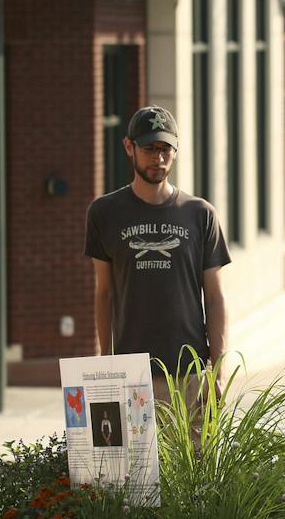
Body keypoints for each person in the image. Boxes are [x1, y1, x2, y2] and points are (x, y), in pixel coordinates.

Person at [85, 106, 231, 392]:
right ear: (129, 147)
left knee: (198, 440)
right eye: (149, 148)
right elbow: (104, 293)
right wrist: (107, 362)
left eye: (166, 149)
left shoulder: (200, 214)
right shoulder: (104, 213)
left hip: (191, 372)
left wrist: (219, 371)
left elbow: (215, 297)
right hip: (131, 374)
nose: (159, 158)